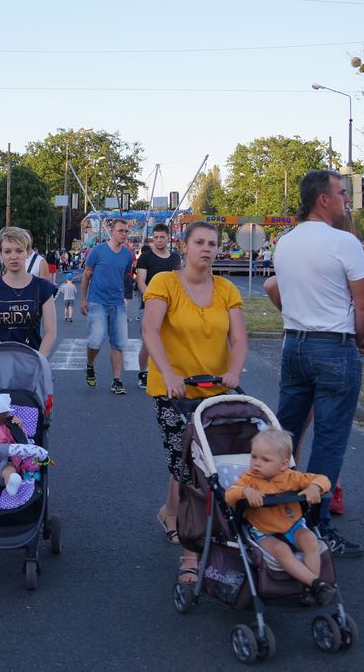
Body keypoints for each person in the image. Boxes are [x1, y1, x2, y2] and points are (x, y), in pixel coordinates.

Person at [272, 170, 364, 559]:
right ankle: (317, 526)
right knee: (329, 441)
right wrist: (358, 339)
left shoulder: (285, 242)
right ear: (323, 199)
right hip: (334, 346)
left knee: (286, 434)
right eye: (341, 192)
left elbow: (278, 290)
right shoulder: (343, 242)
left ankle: (274, 514)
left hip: (293, 345)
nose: (347, 198)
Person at [141, 220, 247, 586]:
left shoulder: (227, 289)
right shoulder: (165, 283)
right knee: (188, 469)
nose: (207, 249)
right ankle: (191, 549)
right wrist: (168, 374)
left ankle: (170, 514)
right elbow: (150, 330)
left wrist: (234, 372)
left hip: (217, 391)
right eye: (199, 242)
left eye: (213, 244)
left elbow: (240, 339)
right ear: (184, 246)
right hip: (175, 391)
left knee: (212, 466)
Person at [224, 429, 337, 605]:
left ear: (283, 464)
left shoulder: (292, 477)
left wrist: (315, 487)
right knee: (282, 551)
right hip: (265, 533)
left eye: (265, 459)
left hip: (294, 527)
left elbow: (323, 479)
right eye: (254, 457)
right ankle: (316, 584)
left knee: (310, 540)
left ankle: (309, 590)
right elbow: (229, 495)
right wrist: (245, 492)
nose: (257, 463)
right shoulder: (249, 480)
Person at [0, 226, 58, 355]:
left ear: (27, 252)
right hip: (1, 362)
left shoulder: (42, 287)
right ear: (1, 254)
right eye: (7, 251)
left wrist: (39, 361)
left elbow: (51, 332)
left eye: (19, 251)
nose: (13, 256)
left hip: (33, 361)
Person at [80, 219, 134, 394]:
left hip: (117, 303)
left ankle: (117, 381)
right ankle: (90, 365)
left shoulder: (127, 255)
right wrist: (83, 300)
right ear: (112, 231)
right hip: (97, 302)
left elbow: (124, 274)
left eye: (126, 231)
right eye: (120, 231)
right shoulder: (97, 251)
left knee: (118, 344)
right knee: (95, 341)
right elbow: (86, 275)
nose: (124, 234)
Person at [135, 223, 182, 389]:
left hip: (172, 305)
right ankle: (143, 372)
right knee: (148, 341)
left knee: (172, 340)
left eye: (162, 237)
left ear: (168, 238)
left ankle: (169, 372)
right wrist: (150, 299)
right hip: (149, 304)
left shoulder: (175, 258)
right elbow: (140, 280)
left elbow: (179, 280)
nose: (159, 240)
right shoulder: (145, 258)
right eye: (156, 237)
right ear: (152, 238)